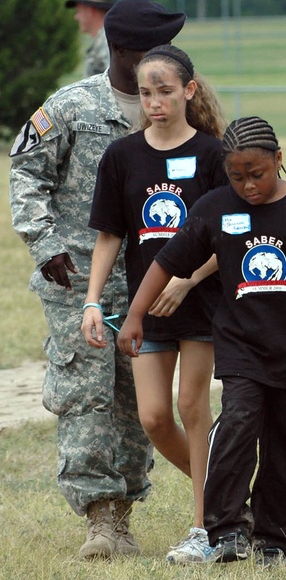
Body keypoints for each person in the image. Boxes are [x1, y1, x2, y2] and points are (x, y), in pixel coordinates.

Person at [116, 116, 286, 567]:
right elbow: (166, 263)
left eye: (257, 174)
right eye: (236, 176)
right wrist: (135, 315)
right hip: (240, 348)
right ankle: (224, 530)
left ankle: (273, 540)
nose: (248, 186)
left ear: (279, 161)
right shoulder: (212, 208)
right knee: (237, 426)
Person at [9, 0, 185, 559]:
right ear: (124, 50)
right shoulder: (71, 107)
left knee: (138, 399)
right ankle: (100, 519)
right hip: (78, 280)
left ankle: (126, 508)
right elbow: (26, 173)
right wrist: (46, 244)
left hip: (153, 282)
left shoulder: (174, 104)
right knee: (85, 393)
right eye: (153, 49)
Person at [80, 44, 227, 564]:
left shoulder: (213, 154)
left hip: (202, 302)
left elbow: (229, 238)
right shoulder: (122, 156)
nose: (155, 102)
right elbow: (110, 237)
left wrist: (188, 280)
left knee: (193, 407)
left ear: (188, 90)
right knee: (154, 417)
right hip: (147, 308)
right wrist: (92, 302)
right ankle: (228, 496)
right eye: (146, 93)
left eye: (165, 91)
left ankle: (204, 527)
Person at [65, 0, 115, 78]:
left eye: (78, 11)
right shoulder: (107, 38)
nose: (76, 17)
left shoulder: (107, 42)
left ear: (90, 11)